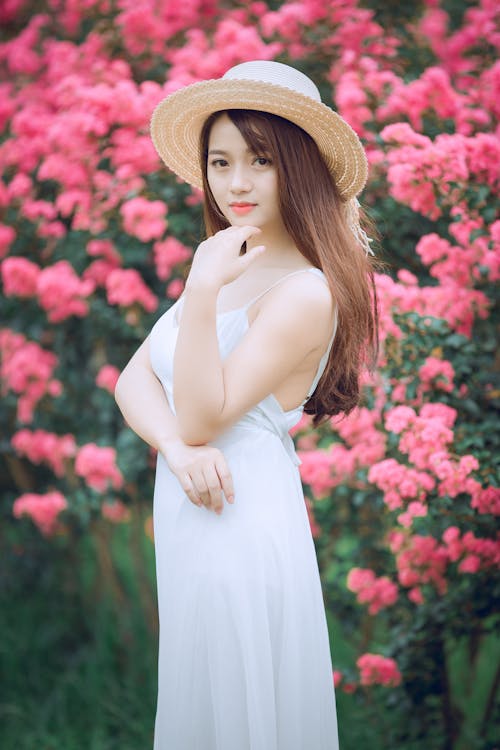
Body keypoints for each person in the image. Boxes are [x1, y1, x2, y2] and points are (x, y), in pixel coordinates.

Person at [114, 60, 378, 750]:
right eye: (220, 161)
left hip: (237, 513)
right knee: (203, 702)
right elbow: (133, 380)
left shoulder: (304, 291)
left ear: (300, 166)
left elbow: (204, 413)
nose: (235, 183)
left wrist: (200, 294)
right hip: (191, 504)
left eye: (260, 161)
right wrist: (174, 450)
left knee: (240, 706)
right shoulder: (228, 262)